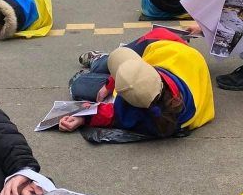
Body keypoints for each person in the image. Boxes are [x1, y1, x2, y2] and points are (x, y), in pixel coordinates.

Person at [63, 28, 214, 139]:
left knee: (81, 83)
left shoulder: (137, 110)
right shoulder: (149, 114)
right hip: (168, 44)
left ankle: (99, 59)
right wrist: (110, 84)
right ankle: (101, 61)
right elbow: (117, 111)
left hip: (168, 54)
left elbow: (113, 113)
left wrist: (83, 117)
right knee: (103, 69)